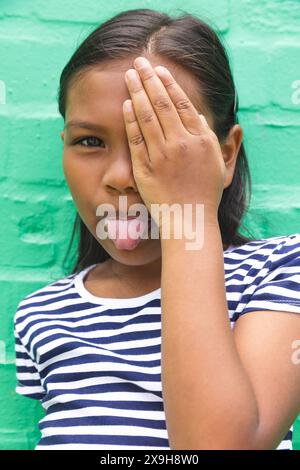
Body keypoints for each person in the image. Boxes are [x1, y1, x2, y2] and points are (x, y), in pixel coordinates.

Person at [13, 8, 300, 450]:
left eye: (159, 142)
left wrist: (187, 213)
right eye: (89, 141)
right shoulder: (42, 312)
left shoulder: (280, 273)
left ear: (224, 155)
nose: (122, 176)